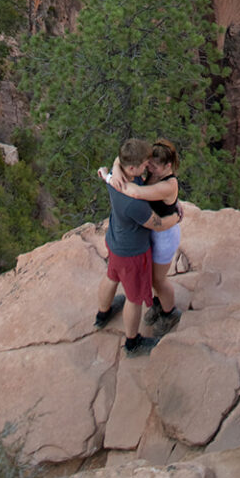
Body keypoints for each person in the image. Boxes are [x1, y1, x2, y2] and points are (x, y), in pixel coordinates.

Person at [95, 137, 182, 356]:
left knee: (112, 277)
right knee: (133, 300)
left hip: (115, 240)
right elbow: (159, 224)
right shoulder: (135, 201)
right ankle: (132, 343)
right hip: (132, 251)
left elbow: (121, 161)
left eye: (152, 163)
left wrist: (112, 170)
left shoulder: (115, 179)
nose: (148, 166)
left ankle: (102, 315)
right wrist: (176, 218)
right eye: (145, 164)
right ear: (132, 167)